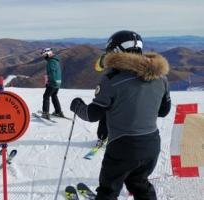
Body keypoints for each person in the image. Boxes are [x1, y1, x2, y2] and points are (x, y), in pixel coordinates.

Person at [70, 30, 171, 200]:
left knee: (108, 190)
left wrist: (77, 105)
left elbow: (92, 114)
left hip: (123, 147)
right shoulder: (160, 77)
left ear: (116, 52)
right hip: (151, 144)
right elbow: (163, 111)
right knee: (140, 185)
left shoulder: (112, 79)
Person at [40, 48, 64, 119]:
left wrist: (49, 82)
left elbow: (52, 73)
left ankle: (45, 113)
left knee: (46, 96)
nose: (44, 57)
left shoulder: (51, 62)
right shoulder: (55, 61)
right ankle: (58, 112)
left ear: (48, 54)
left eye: (44, 55)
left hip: (53, 82)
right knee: (54, 95)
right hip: (58, 82)